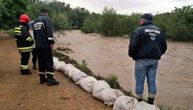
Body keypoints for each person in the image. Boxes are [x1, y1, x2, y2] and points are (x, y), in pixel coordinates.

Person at [128, 13, 167, 104]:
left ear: (143, 20)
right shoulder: (159, 31)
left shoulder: (138, 30)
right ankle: (151, 102)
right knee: (152, 80)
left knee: (139, 81)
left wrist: (132, 56)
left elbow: (132, 46)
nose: (139, 21)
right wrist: (158, 55)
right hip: (154, 60)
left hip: (141, 60)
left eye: (140, 20)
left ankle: (139, 102)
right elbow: (164, 47)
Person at [33, 9, 59, 86]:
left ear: (40, 13)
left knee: (41, 61)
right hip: (45, 45)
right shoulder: (46, 19)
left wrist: (37, 42)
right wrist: (51, 42)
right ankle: (50, 79)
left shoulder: (35, 21)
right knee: (49, 61)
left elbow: (35, 34)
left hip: (38, 45)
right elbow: (49, 31)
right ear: (46, 13)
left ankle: (42, 78)